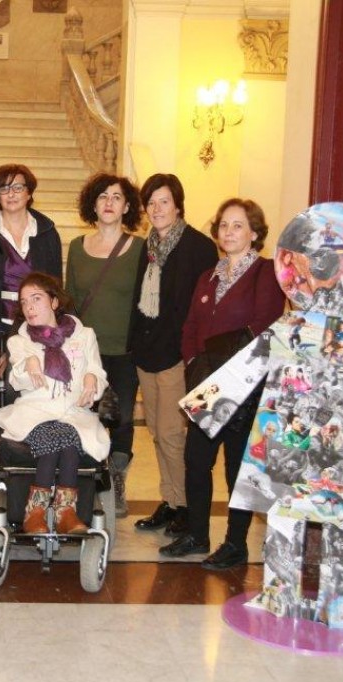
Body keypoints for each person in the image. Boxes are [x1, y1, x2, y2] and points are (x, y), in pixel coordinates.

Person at [162, 198, 286, 568]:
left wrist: (223, 367)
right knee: (196, 460)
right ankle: (197, 535)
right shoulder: (208, 276)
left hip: (244, 384)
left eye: (238, 225)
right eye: (224, 225)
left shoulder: (266, 273)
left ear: (255, 233)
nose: (228, 232)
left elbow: (264, 326)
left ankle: (235, 543)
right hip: (208, 384)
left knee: (236, 467)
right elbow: (190, 327)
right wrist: (193, 363)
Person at [130, 174, 217, 536]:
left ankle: (185, 506)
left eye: (163, 201)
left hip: (178, 356)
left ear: (178, 205)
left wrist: (192, 353)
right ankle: (170, 499)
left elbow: (203, 309)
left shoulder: (199, 247)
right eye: (151, 203)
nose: (157, 209)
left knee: (171, 434)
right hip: (148, 353)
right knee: (156, 432)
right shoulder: (148, 246)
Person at [0, 273, 109, 534]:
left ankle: (56, 513)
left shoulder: (84, 336)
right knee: (60, 436)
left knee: (68, 434)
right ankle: (47, 512)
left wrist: (91, 378)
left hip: (73, 412)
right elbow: (18, 381)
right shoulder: (19, 341)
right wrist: (29, 363)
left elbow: (97, 371)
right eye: (24, 302)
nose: (29, 307)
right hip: (35, 413)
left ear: (54, 302)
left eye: (36, 299)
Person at [65, 173, 143, 518]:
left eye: (116, 197)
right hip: (87, 352)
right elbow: (70, 301)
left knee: (121, 418)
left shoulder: (140, 249)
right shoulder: (77, 247)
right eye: (102, 196)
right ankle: (87, 481)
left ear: (126, 207)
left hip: (126, 350)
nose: (109, 202)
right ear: (93, 205)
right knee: (85, 413)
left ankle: (117, 478)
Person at [0, 164, 63, 390]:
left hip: (38, 330)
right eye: (4, 188)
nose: (11, 194)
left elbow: (56, 288)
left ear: (29, 193)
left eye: (18, 187)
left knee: (38, 394)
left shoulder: (47, 233)